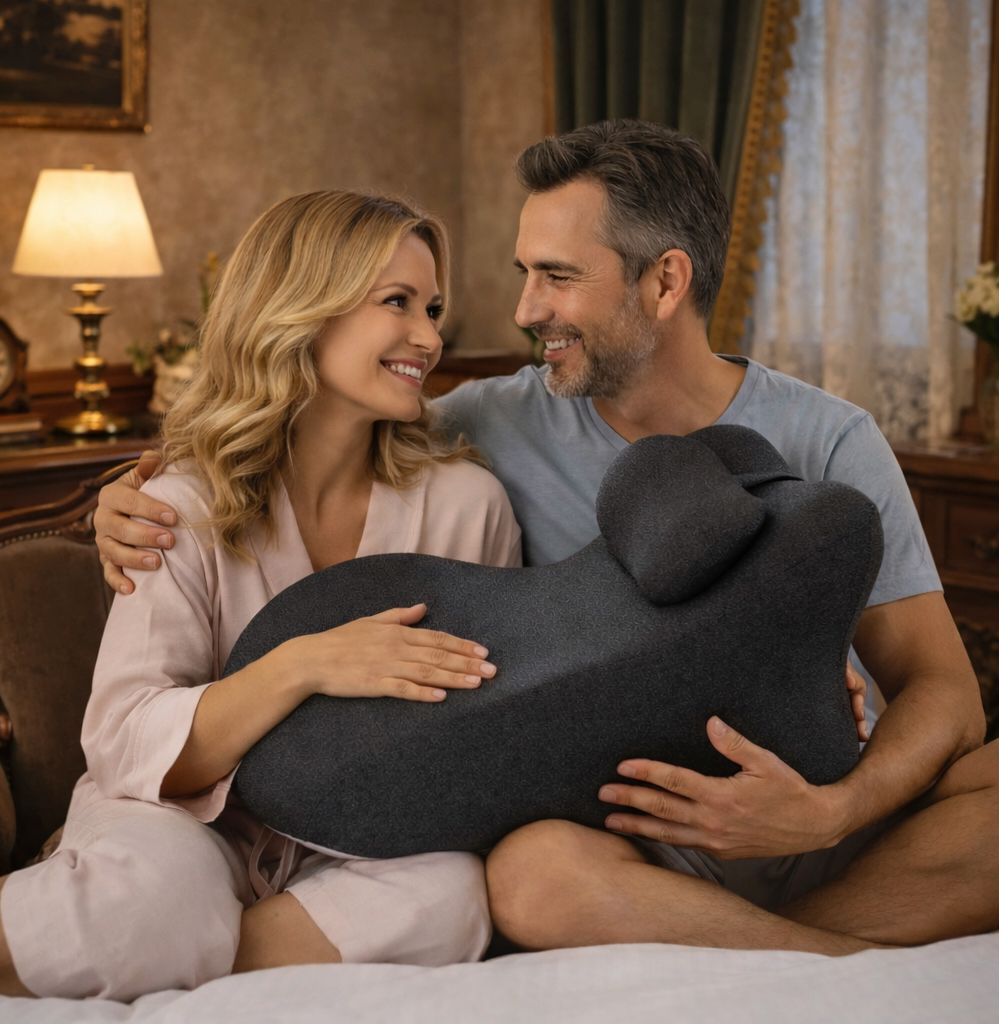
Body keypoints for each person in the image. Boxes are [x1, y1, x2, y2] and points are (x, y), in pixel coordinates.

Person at [92, 121, 998, 955]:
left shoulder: (831, 439)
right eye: (525, 271)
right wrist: (125, 489)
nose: (524, 309)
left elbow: (947, 696)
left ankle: (765, 936)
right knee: (528, 875)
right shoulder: (481, 425)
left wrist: (827, 813)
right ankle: (840, 961)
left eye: (558, 277)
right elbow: (311, 419)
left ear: (666, 282)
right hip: (636, 836)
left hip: (820, 796)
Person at [0, 190, 523, 1000]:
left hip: (360, 836)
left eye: (433, 308)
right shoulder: (182, 504)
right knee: (165, 893)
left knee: (449, 894)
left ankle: (169, 948)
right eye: (397, 303)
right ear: (304, 311)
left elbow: (494, 723)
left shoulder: (467, 505)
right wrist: (302, 666)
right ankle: (155, 926)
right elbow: (125, 740)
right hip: (178, 823)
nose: (431, 337)